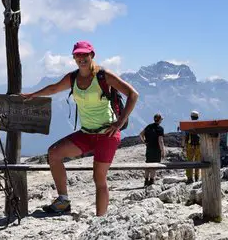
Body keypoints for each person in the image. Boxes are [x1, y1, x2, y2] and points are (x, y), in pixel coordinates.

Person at [21, 40, 139, 216]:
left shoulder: (103, 76)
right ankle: (63, 201)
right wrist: (33, 95)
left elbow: (133, 94)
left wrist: (119, 123)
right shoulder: (73, 78)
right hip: (86, 133)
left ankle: (101, 221)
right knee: (54, 153)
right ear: (74, 57)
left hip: (107, 135)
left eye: (85, 54)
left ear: (92, 55)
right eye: (78, 55)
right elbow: (54, 88)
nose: (81, 58)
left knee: (98, 178)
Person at [139, 113, 165, 186]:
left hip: (149, 148)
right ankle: (151, 181)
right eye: (161, 119)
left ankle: (146, 181)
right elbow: (160, 141)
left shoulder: (148, 126)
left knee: (148, 164)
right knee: (154, 165)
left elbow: (141, 134)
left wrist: (144, 142)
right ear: (159, 120)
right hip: (156, 150)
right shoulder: (160, 128)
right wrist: (162, 151)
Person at [182, 110, 201, 183]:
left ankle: (189, 178)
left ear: (191, 117)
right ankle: (197, 177)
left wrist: (183, 145)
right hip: (198, 145)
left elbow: (184, 135)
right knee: (197, 161)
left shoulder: (187, 124)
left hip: (189, 144)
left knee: (189, 161)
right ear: (198, 117)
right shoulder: (201, 124)